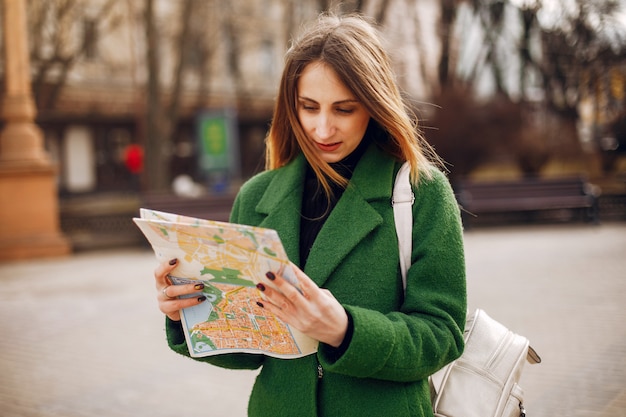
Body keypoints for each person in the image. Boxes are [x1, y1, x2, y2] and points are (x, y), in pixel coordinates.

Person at [153, 13, 466, 417]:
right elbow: (247, 352)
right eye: (309, 107)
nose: (322, 128)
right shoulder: (257, 197)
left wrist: (345, 330)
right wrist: (187, 314)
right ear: (292, 105)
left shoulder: (420, 193)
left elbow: (442, 335)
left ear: (373, 105)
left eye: (344, 109)